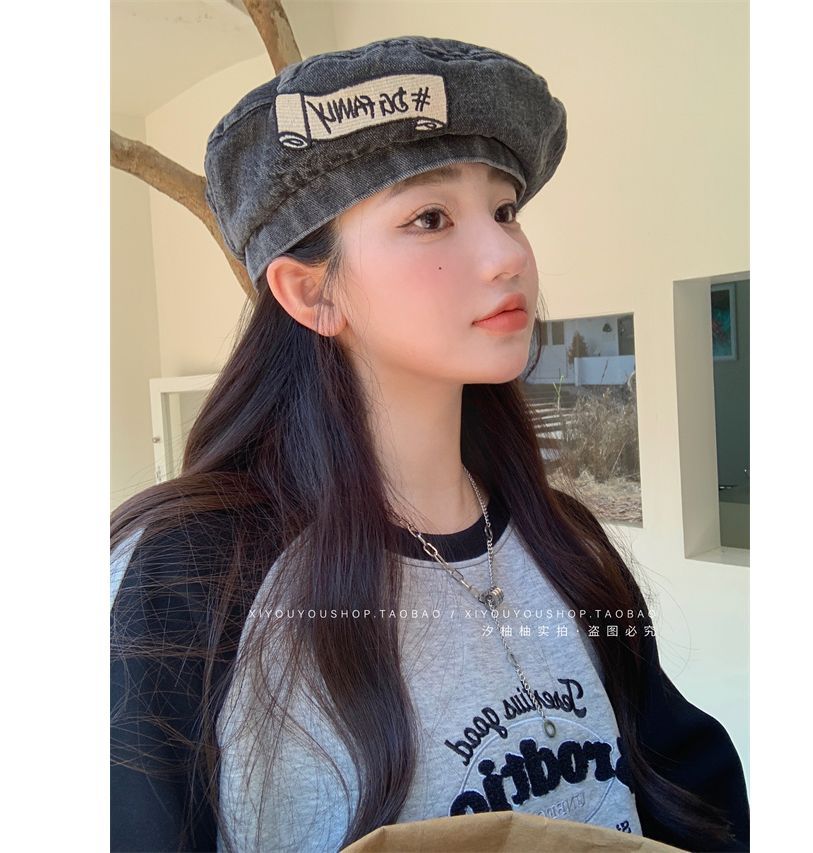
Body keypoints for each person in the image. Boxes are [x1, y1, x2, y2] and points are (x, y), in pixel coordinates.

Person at [110, 35, 750, 852]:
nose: (508, 255)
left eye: (505, 210)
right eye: (431, 218)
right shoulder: (186, 575)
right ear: (310, 292)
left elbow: (689, 796)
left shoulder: (568, 541)